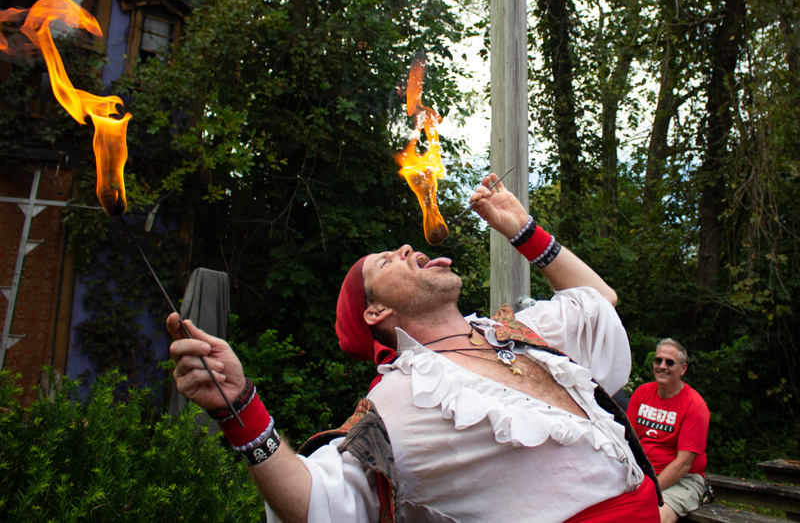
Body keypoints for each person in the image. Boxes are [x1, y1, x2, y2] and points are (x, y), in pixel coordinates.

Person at [168, 174, 662, 523]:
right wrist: (240, 409)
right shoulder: (399, 399)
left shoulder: (517, 332)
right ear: (375, 313)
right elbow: (318, 505)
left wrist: (522, 229)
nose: (408, 248)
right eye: (387, 261)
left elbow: (599, 302)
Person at [626, 338, 710, 523]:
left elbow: (684, 463)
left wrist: (649, 490)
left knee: (651, 519)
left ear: (683, 369)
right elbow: (627, 441)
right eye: (658, 360)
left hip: (681, 481)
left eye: (669, 362)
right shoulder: (642, 393)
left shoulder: (694, 405)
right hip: (641, 474)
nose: (662, 366)